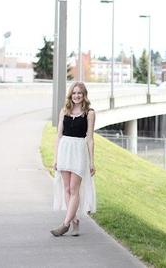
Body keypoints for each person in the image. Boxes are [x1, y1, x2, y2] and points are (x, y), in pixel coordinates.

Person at [50, 82, 97, 237]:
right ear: (71, 95)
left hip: (79, 151)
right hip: (64, 150)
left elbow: (90, 138)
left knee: (74, 189)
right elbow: (58, 136)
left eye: (80, 93)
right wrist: (56, 158)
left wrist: (91, 161)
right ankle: (74, 221)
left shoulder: (89, 113)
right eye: (74, 93)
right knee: (67, 189)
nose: (77, 96)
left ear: (84, 95)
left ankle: (65, 225)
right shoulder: (64, 111)